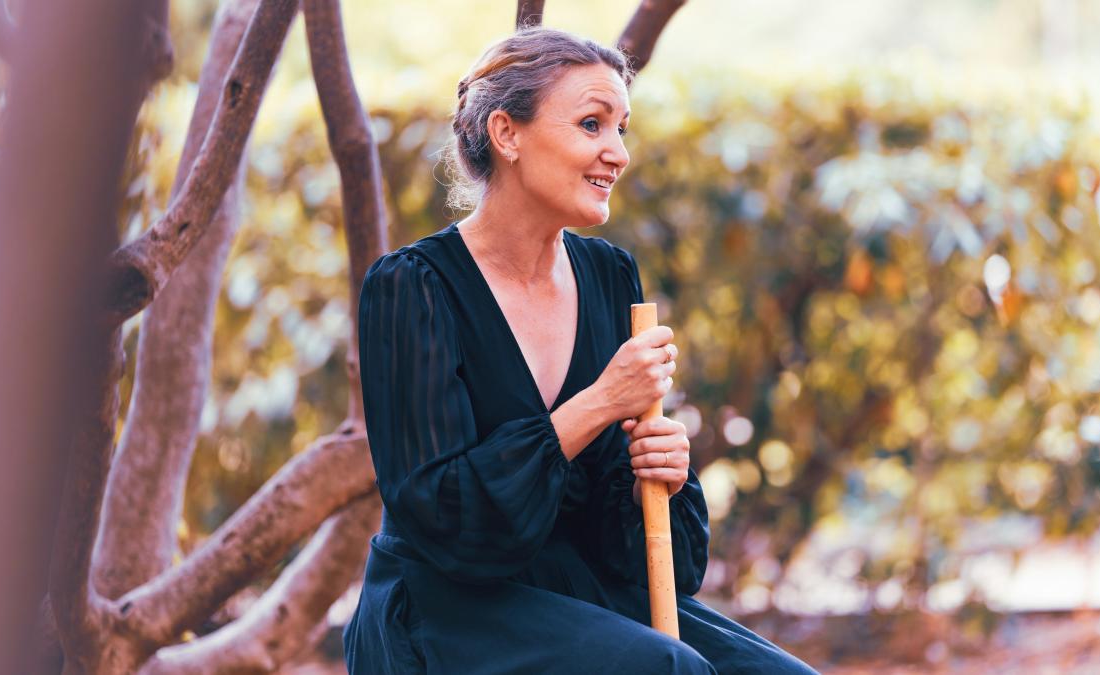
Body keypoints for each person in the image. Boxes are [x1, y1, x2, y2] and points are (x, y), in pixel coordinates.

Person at [343, 26, 817, 675]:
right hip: (447, 607)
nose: (616, 153)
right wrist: (595, 405)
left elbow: (652, 562)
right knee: (666, 671)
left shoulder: (609, 277)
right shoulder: (413, 287)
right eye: (592, 124)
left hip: (581, 590)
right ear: (507, 133)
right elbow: (444, 521)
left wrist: (666, 475)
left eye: (622, 128)